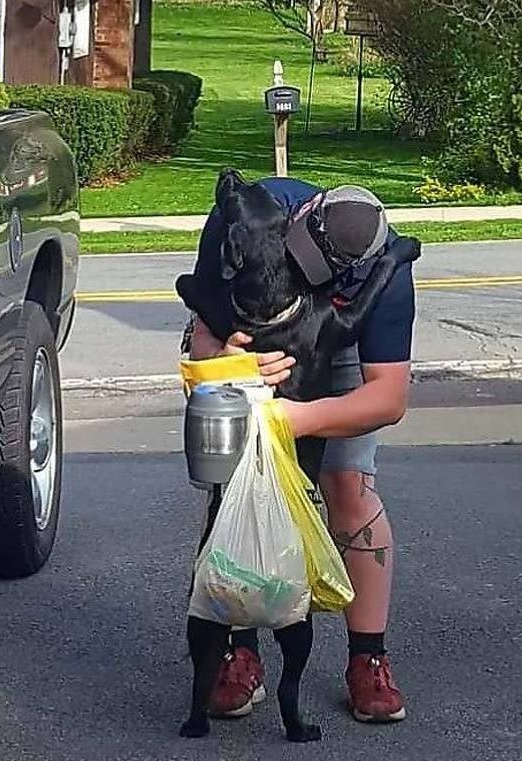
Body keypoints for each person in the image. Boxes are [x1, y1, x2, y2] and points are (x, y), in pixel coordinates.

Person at [181, 175, 419, 724]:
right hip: (248, 341)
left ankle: (369, 658)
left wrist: (299, 420)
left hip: (336, 344)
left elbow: (387, 397)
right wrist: (223, 353)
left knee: (347, 484)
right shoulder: (247, 211)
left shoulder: (387, 276)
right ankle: (238, 651)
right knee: (236, 490)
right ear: (303, 211)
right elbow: (202, 321)